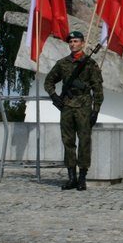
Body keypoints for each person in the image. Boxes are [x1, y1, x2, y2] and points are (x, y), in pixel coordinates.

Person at [44, 31, 103, 191]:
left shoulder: (90, 64)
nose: (72, 44)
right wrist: (54, 96)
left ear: (82, 43)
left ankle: (82, 178)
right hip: (67, 107)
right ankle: (72, 178)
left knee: (84, 142)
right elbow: (48, 81)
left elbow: (98, 89)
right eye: (70, 41)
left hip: (84, 106)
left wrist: (96, 110)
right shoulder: (62, 63)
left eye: (76, 41)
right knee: (68, 142)